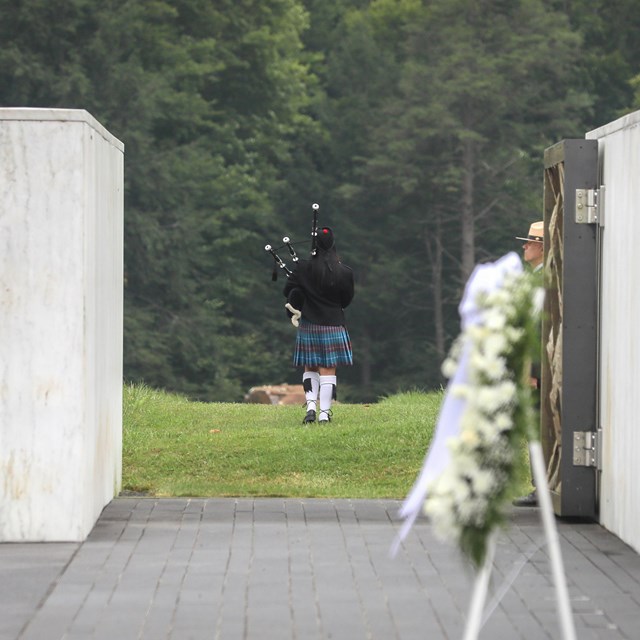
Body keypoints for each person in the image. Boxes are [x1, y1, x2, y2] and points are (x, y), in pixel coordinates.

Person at [283, 227, 355, 424]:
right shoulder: (345, 272)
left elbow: (288, 291)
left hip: (309, 324)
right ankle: (324, 414)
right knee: (328, 370)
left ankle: (311, 408)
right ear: (332, 244)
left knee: (310, 367)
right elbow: (346, 301)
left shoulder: (302, 268)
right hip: (333, 324)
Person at [513, 220, 544, 507]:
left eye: (531, 241)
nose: (525, 246)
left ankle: (542, 487)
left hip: (539, 371)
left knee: (537, 426)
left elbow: (539, 329)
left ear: (542, 247)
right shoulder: (536, 276)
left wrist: (532, 371)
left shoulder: (543, 279)